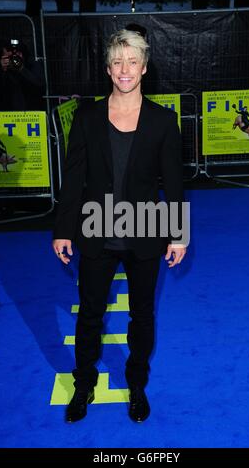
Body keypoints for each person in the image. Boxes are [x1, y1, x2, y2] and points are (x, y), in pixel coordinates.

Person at [53, 29, 186, 423]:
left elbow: (174, 182)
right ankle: (83, 385)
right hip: (96, 230)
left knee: (141, 316)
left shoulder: (164, 121)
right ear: (109, 69)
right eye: (117, 62)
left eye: (132, 62)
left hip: (145, 231)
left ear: (144, 68)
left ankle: (137, 386)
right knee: (90, 314)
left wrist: (178, 234)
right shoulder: (88, 116)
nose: (124, 69)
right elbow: (74, 178)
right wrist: (62, 228)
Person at [0, 39, 45, 111]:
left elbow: (40, 85)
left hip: (30, 113)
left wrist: (22, 69)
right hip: (5, 114)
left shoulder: (31, 65)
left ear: (24, 54)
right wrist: (1, 69)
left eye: (18, 54)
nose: (15, 58)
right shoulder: (0, 66)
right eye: (11, 55)